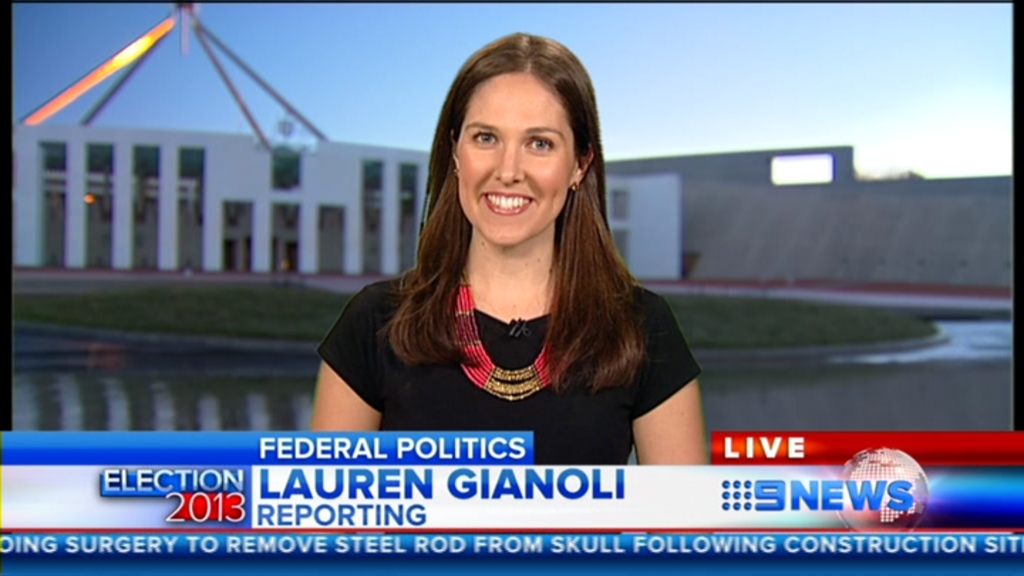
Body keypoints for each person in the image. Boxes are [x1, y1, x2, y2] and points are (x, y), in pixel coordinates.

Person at [312, 33, 707, 465]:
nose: (508, 171)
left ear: (580, 165)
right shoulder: (374, 324)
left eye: (540, 144)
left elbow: (684, 510)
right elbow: (323, 506)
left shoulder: (641, 328)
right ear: (455, 153)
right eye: (486, 138)